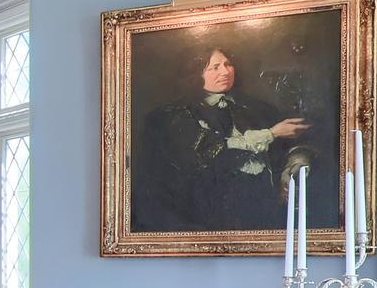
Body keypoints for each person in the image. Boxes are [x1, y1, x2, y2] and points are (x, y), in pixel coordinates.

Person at [135, 46, 315, 232]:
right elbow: (208, 149)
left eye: (228, 64)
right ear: (195, 73)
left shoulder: (257, 109)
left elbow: (293, 145)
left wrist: (293, 166)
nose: (225, 71)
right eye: (214, 67)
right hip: (205, 214)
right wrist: (270, 134)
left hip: (261, 208)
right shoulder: (173, 115)